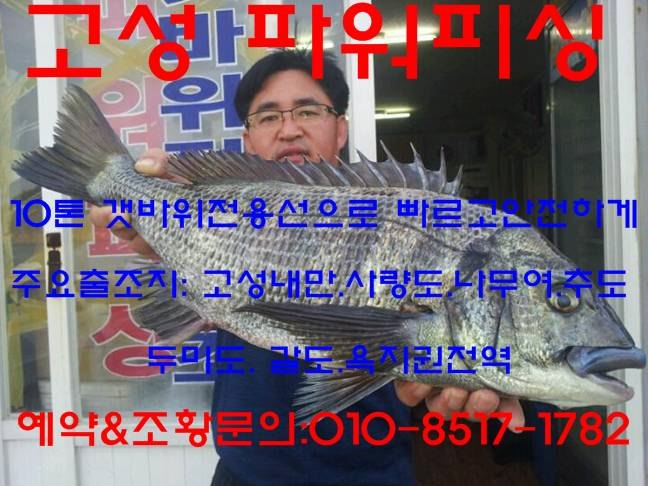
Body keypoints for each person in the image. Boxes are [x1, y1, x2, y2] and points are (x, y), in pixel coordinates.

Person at [90, 49, 524, 485]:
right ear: (247, 140)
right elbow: (192, 296)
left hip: (369, 476)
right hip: (243, 475)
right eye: (268, 116)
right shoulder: (214, 211)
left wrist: (498, 370)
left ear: (341, 129)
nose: (289, 129)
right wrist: (156, 236)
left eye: (308, 111)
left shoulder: (412, 215)